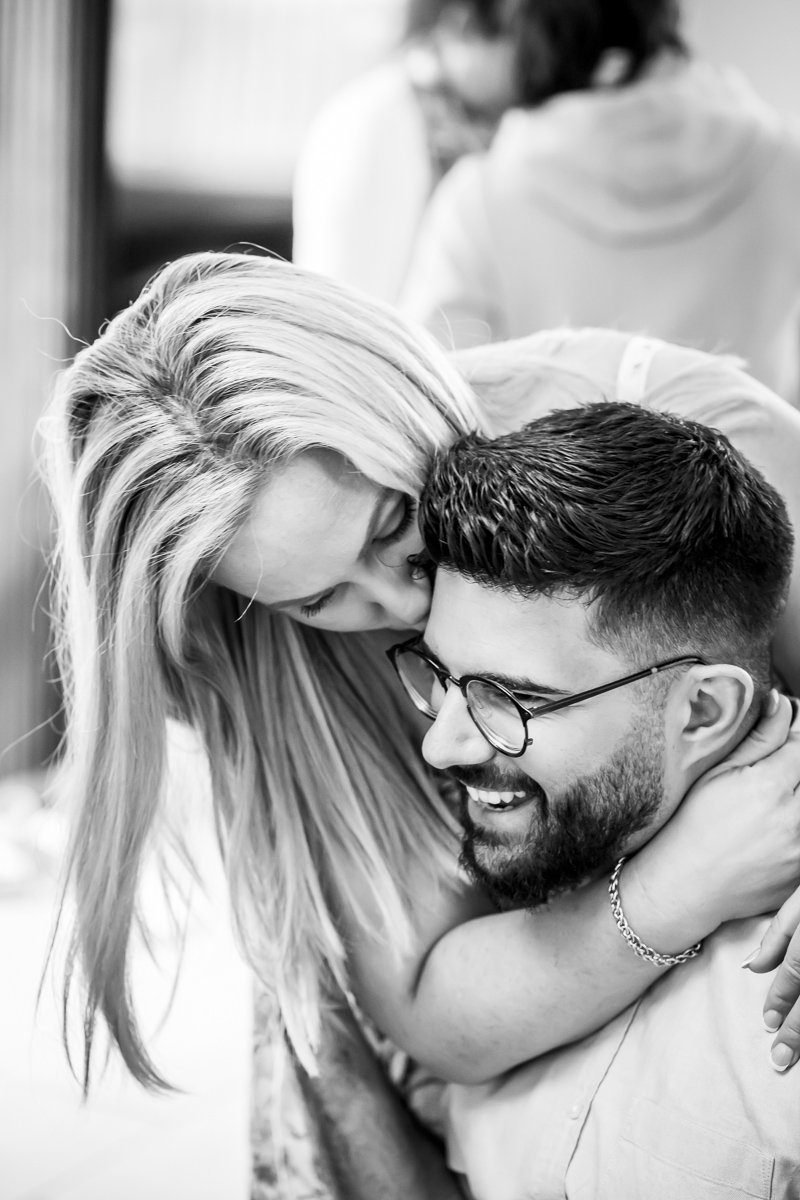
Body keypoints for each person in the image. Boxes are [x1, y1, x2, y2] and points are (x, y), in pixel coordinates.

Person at [41, 252, 800, 1120]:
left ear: (402, 393)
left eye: (395, 526)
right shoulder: (282, 672)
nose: (407, 604)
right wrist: (689, 880)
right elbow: (437, 1009)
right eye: (321, 599)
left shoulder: (709, 426)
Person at [312, 401, 800, 1198]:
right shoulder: (508, 908)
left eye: (512, 699)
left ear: (703, 711)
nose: (442, 745)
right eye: (441, 678)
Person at [400, 0, 800, 405]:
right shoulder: (784, 163)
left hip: (551, 468)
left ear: (529, 32)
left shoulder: (480, 199)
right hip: (758, 465)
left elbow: (429, 402)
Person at [292, 0, 515, 304]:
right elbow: (356, 302)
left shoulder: (458, 119)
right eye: (516, 39)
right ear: (461, 25)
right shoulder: (377, 122)